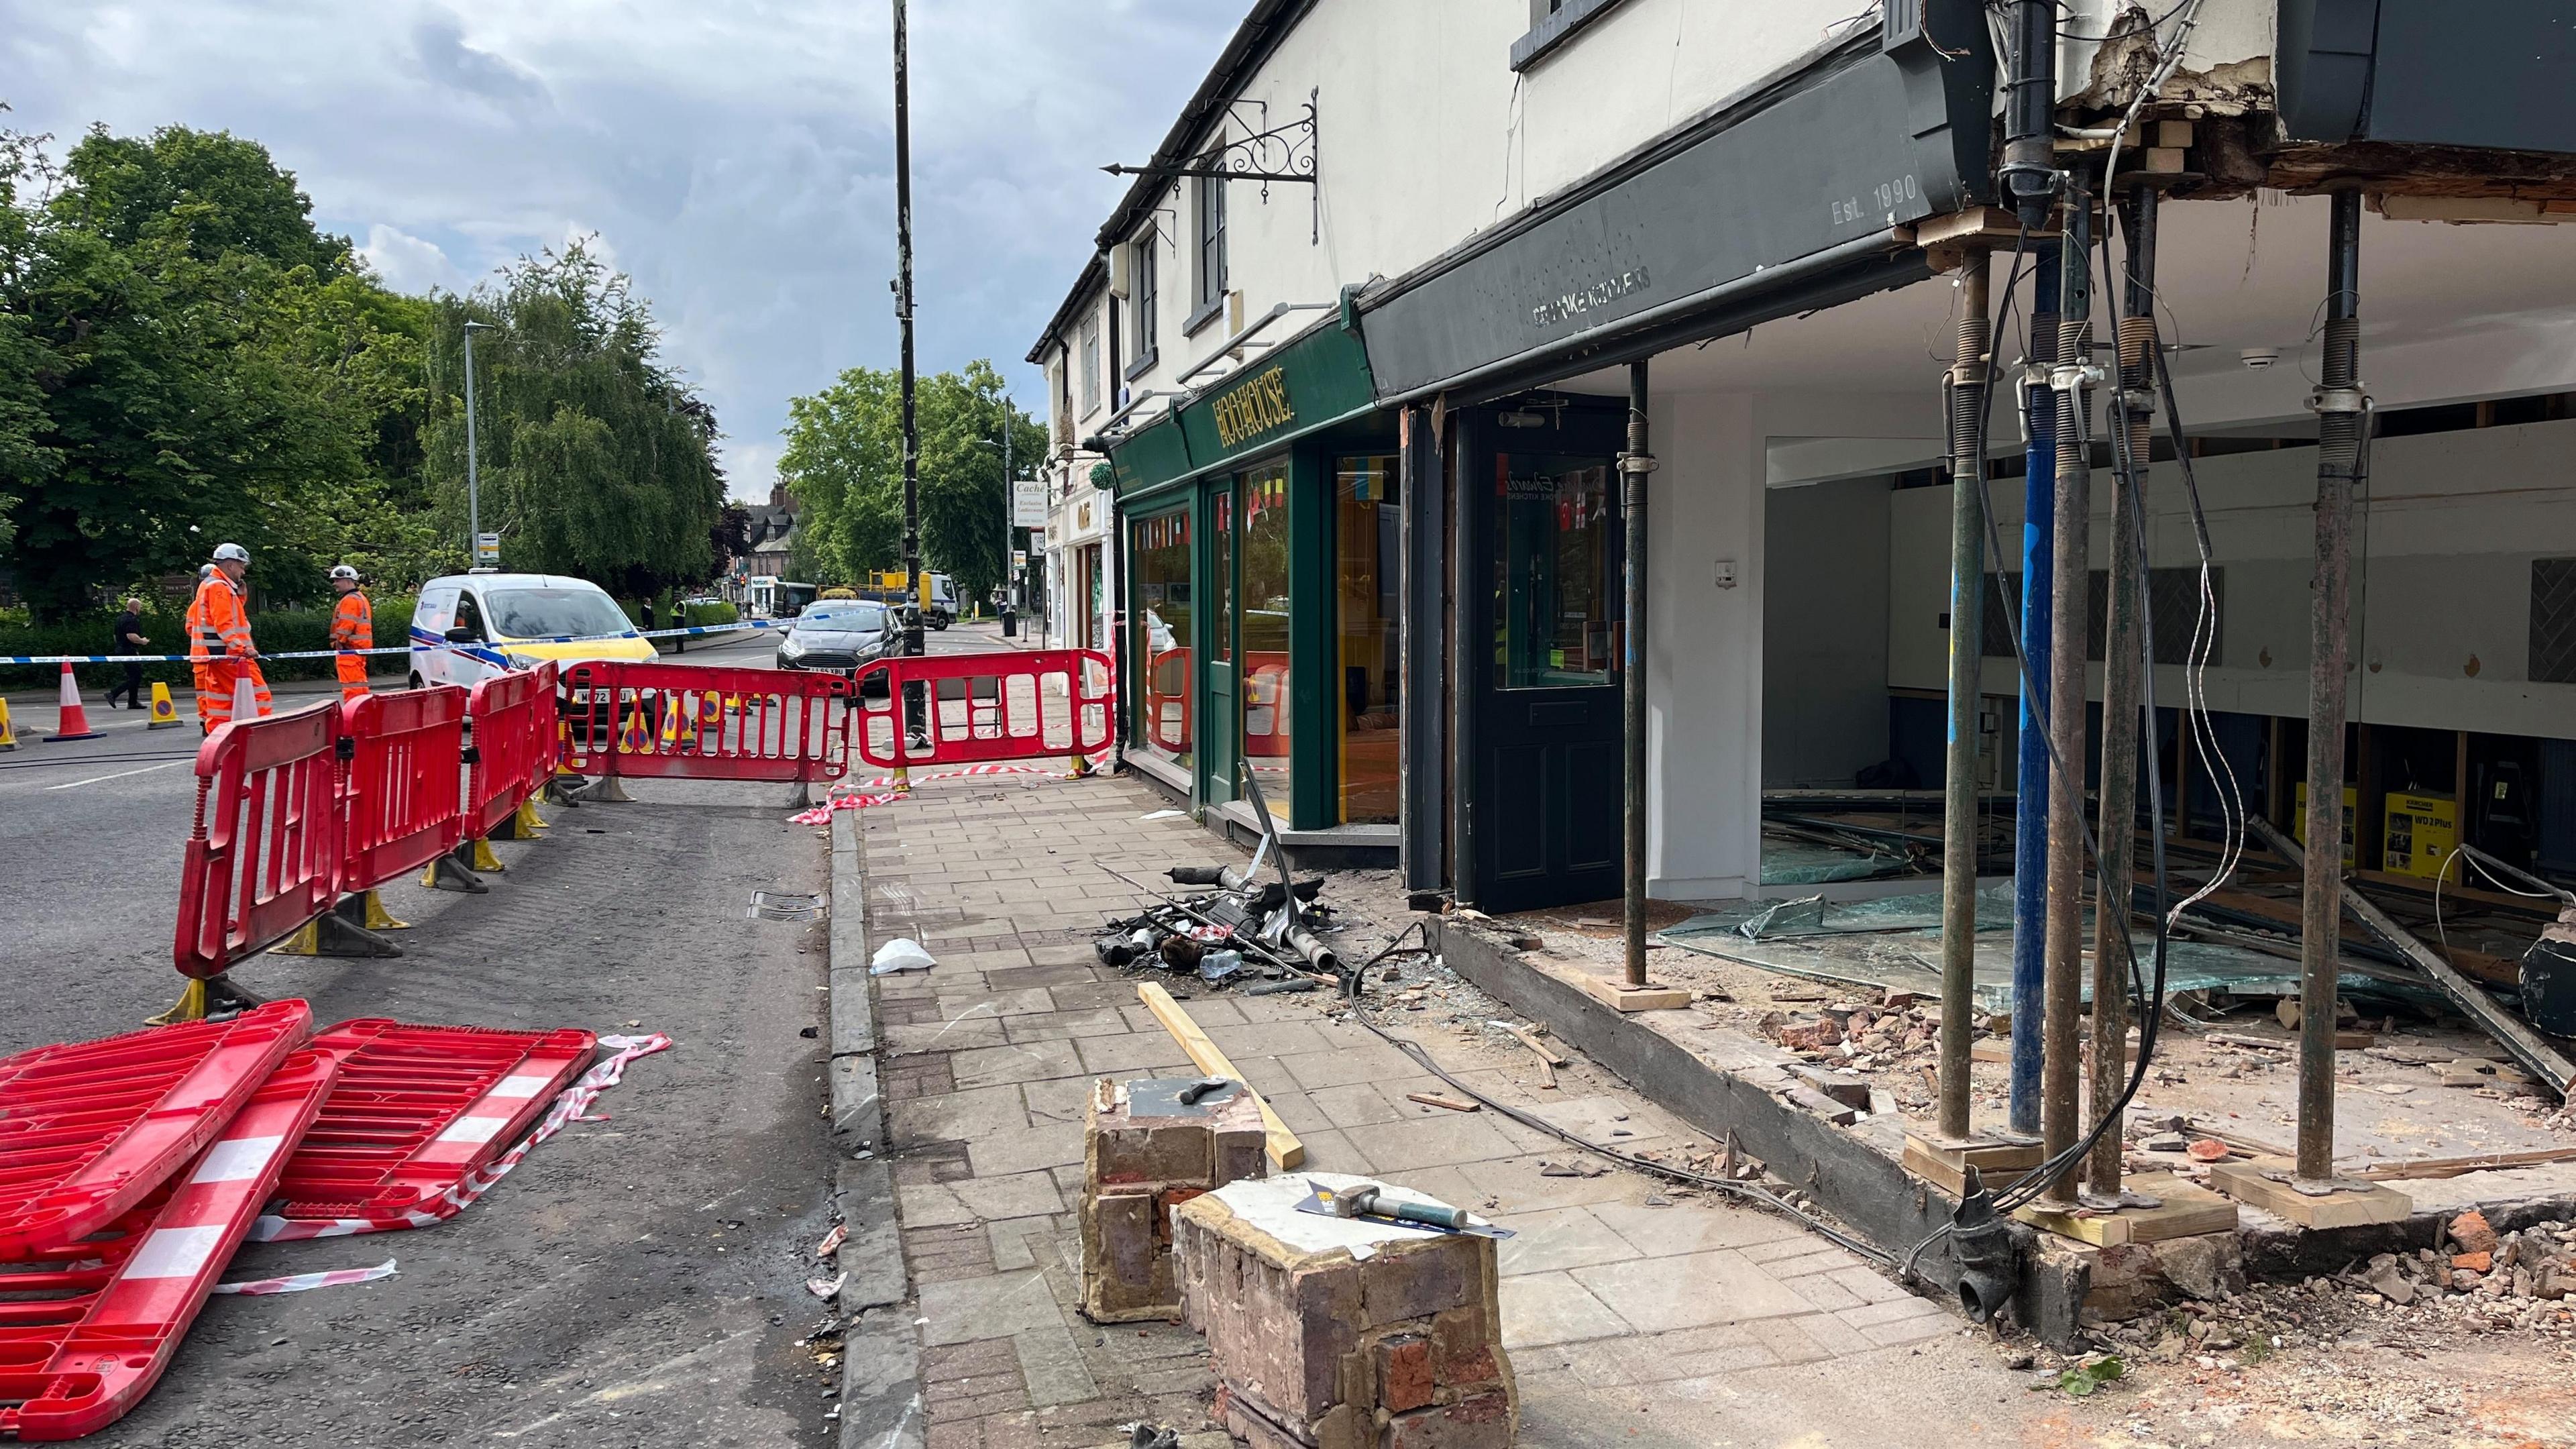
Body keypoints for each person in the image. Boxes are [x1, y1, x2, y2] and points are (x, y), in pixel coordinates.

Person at [190, 543, 272, 733]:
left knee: (222, 704)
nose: (243, 571)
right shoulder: (219, 587)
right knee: (259, 696)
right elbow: (224, 625)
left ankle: (219, 742)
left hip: (217, 656)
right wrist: (243, 649)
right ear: (230, 565)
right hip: (232, 656)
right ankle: (261, 738)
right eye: (242, 566)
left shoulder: (210, 585)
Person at [327, 564, 373, 702]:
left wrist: (339, 643)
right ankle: (362, 709)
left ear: (347, 580)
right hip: (358, 649)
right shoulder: (359, 598)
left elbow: (346, 625)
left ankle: (353, 711)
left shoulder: (350, 600)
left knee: (351, 686)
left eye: (337, 580)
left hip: (348, 649)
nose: (335, 584)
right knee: (359, 684)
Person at [106, 597, 149, 710]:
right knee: (136, 676)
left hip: (121, 649)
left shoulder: (120, 619)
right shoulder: (131, 619)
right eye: (140, 607)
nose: (140, 609)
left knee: (133, 676)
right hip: (129, 650)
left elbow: (115, 636)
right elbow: (131, 636)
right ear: (136, 607)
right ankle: (113, 694)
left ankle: (133, 702)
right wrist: (142, 641)